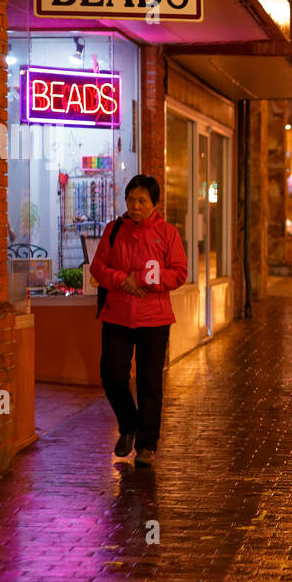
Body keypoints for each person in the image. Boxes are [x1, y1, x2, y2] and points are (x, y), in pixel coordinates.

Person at [90, 174, 188, 468]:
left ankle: (147, 444)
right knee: (112, 375)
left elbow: (179, 273)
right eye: (131, 199)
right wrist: (123, 281)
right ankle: (129, 425)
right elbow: (98, 267)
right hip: (117, 315)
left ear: (154, 204)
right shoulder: (113, 229)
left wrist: (144, 278)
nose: (135, 205)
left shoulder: (167, 233)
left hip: (154, 319)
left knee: (149, 382)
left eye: (142, 200)